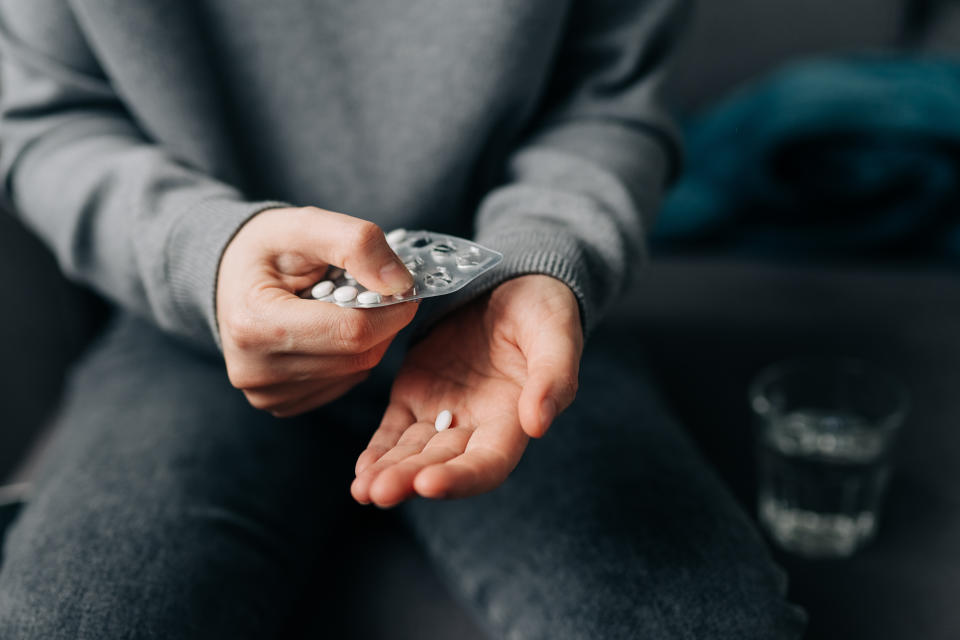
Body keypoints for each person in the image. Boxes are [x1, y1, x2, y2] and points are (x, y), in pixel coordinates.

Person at [0, 1, 806, 638]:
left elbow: (608, 105)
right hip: (189, 325)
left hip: (505, 316)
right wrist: (204, 255)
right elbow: (44, 120)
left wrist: (544, 260)